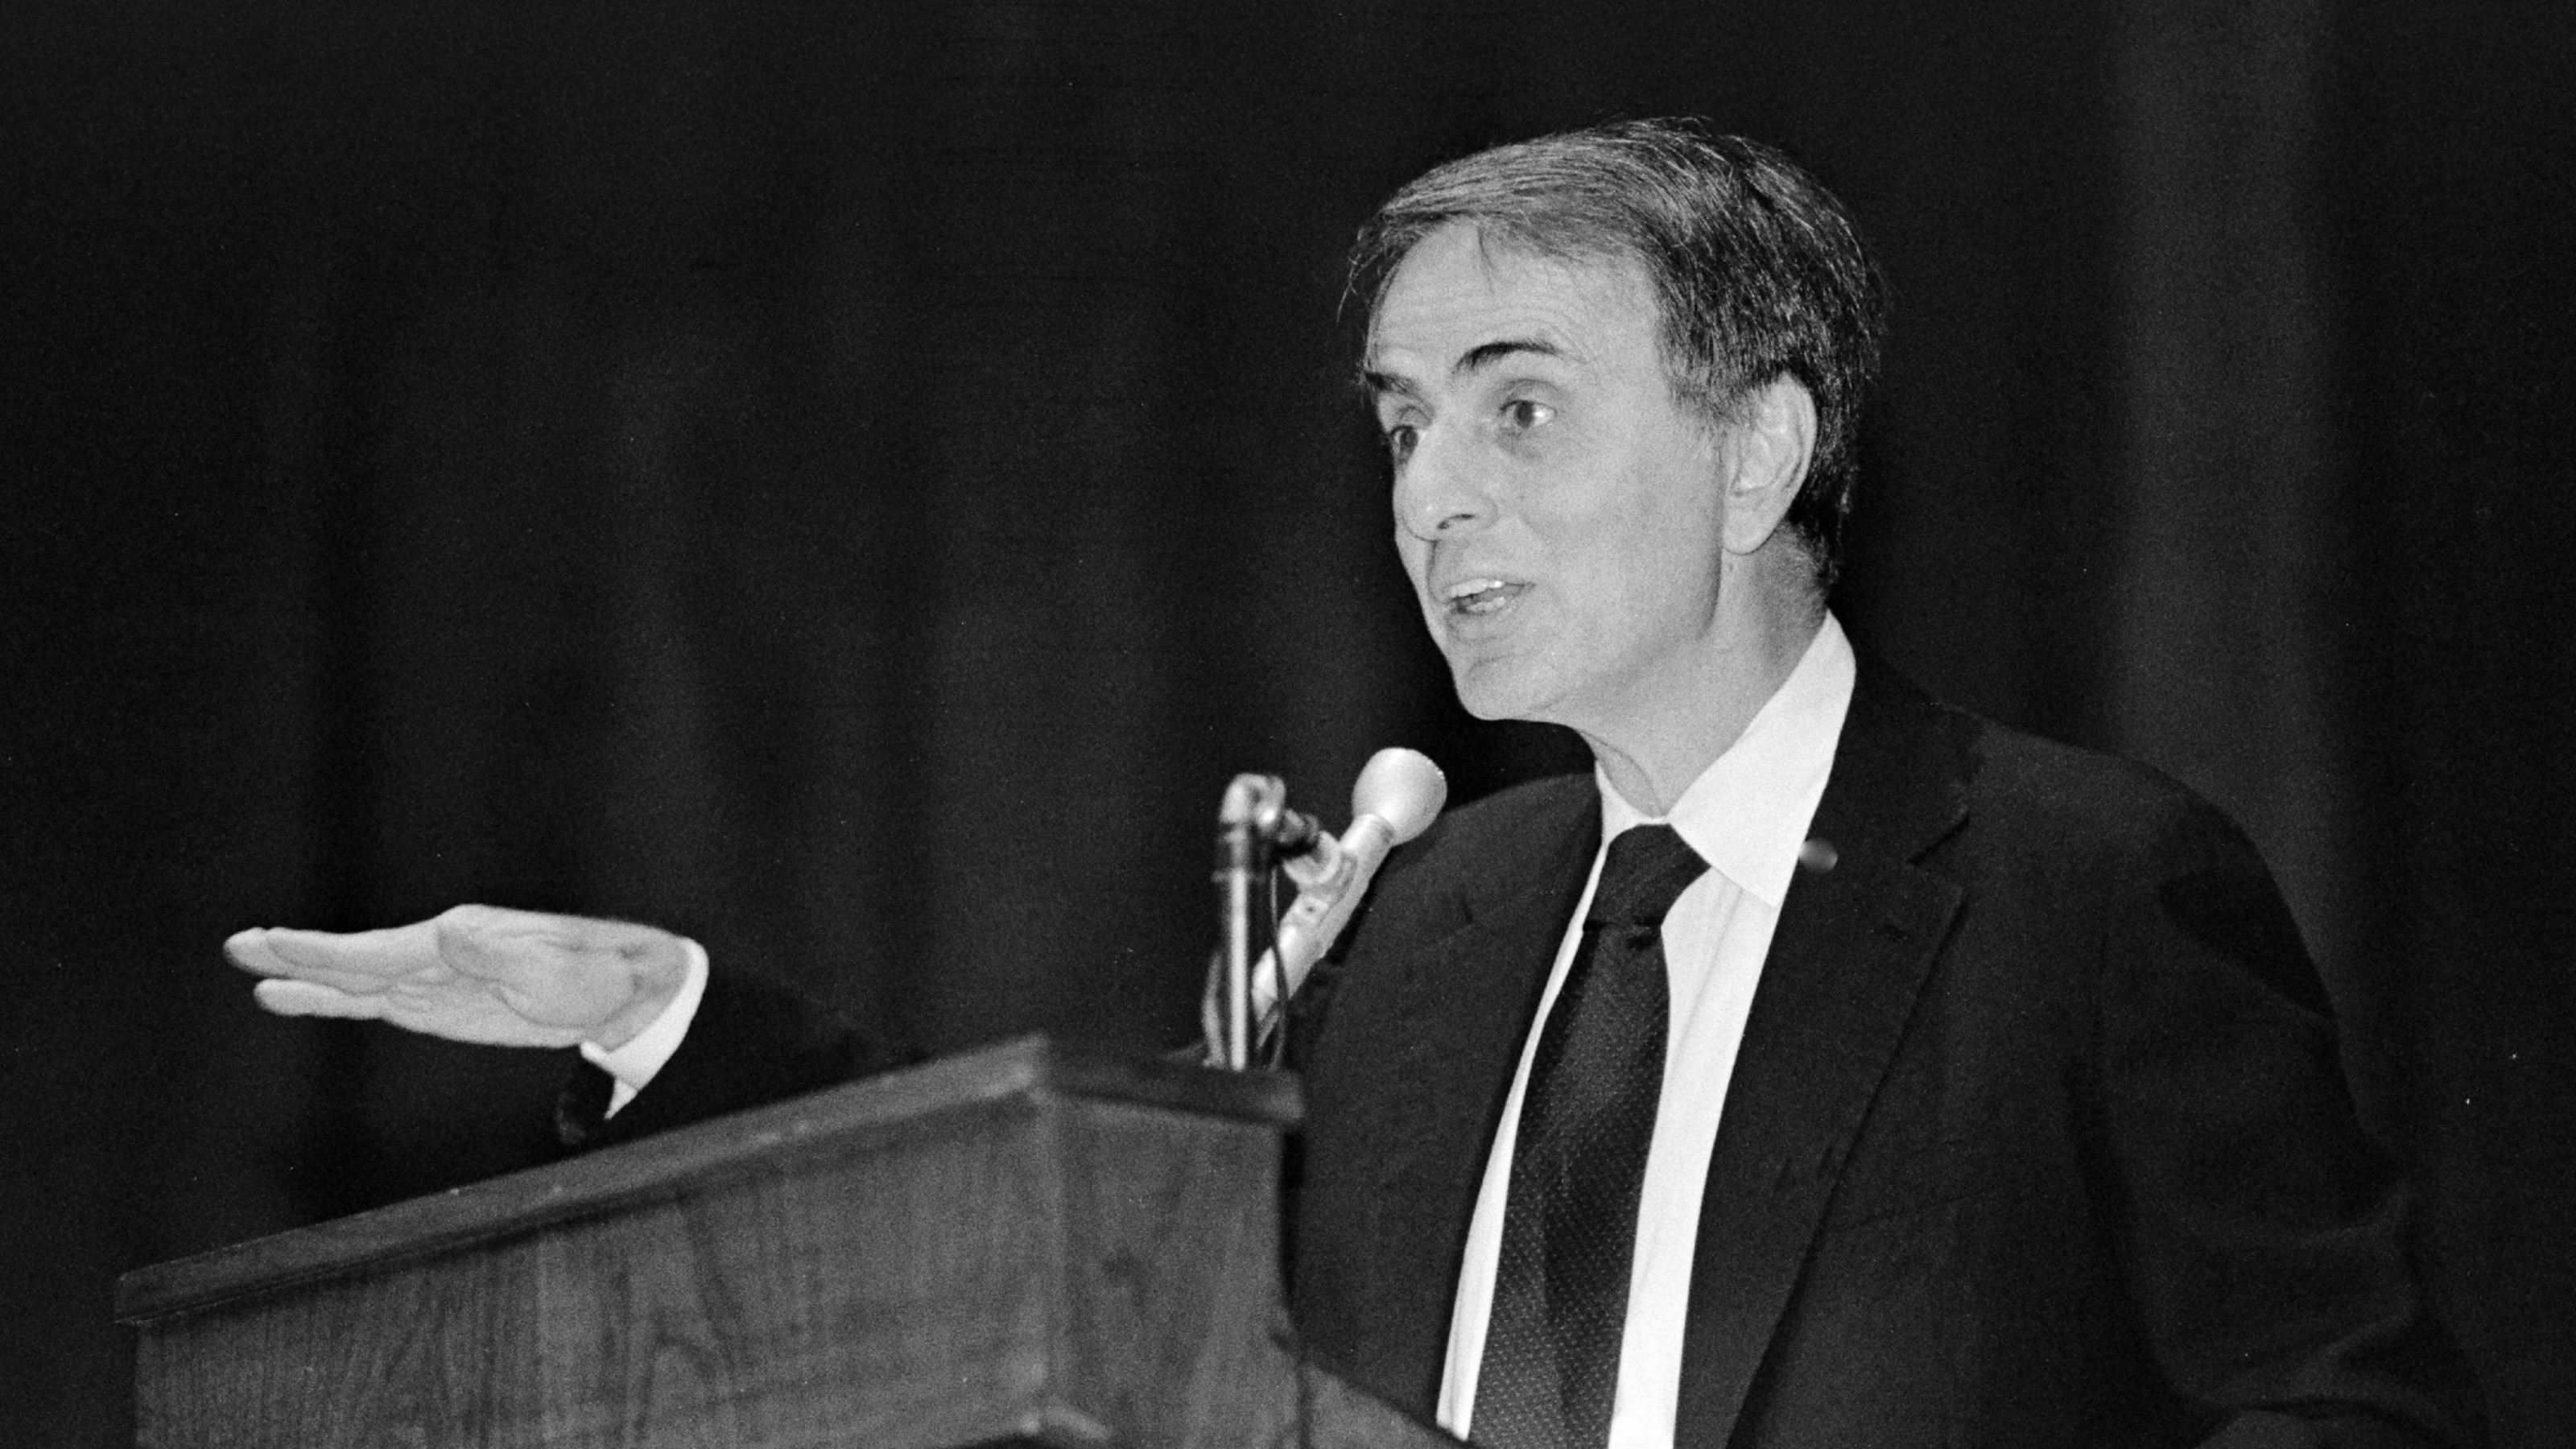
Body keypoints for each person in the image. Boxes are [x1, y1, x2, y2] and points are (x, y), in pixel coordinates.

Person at [226, 121, 2479, 1447]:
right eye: (1405, 424)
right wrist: (663, 1013)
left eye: (1517, 408)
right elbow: (1085, 1252)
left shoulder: (2081, 892)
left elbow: (2347, 1416)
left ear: (1761, 449)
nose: (1431, 500)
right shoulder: (1425, 924)